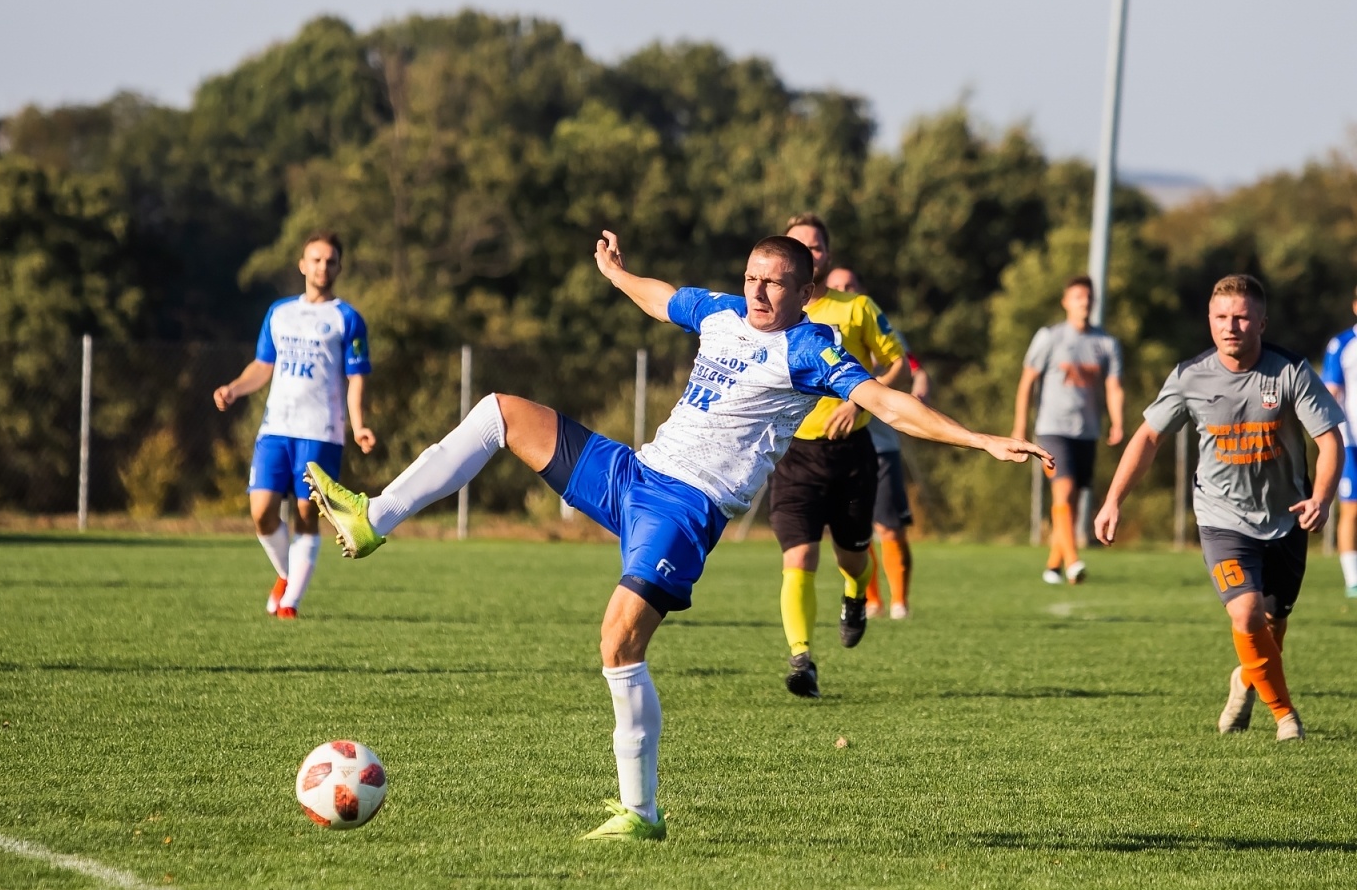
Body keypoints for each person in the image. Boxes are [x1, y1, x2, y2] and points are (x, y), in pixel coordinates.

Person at [303, 231, 1051, 841]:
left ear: (803, 292)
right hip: (633, 473)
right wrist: (616, 273)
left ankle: (641, 812)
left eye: (775, 283)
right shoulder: (721, 311)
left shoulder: (811, 349)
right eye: (752, 277)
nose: (759, 291)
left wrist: (980, 439)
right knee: (500, 410)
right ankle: (374, 518)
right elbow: (662, 299)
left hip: (685, 509)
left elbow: (887, 402)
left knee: (617, 644)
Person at [1095, 274, 1343, 742]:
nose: (1231, 326)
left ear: (1261, 322)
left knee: (1272, 625)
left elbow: (1329, 441)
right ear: (1209, 320)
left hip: (1286, 516)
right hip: (1221, 518)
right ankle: (1286, 717)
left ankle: (1245, 680)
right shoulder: (1190, 376)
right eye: (1221, 317)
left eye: (1242, 317)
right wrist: (1113, 500)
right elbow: (1148, 437)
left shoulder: (1289, 371)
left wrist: (1322, 498)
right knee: (1246, 614)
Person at [769, 215, 907, 700]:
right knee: (799, 557)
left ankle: (856, 593)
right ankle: (801, 659)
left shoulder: (857, 307)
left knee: (852, 558)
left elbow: (898, 363)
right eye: (799, 244)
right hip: (793, 453)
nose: (809, 252)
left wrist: (858, 401)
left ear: (826, 255)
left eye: (816, 246)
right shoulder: (770, 310)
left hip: (851, 456)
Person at [213, 232, 376, 619]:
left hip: (321, 431)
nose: (323, 267)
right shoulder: (279, 312)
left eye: (330, 261)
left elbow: (356, 378)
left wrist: (358, 426)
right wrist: (234, 388)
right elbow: (262, 366)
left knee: (306, 513)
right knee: (261, 512)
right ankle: (287, 575)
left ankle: (290, 603)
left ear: (339, 267)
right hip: (275, 428)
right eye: (316, 260)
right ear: (302, 265)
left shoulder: (347, 318)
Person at [826, 268, 931, 621]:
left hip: (881, 444)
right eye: (837, 286)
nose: (843, 290)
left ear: (861, 289)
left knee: (890, 527)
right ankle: (871, 600)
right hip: (836, 446)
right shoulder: (816, 327)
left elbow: (911, 367)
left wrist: (920, 390)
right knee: (852, 531)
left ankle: (900, 602)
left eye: (850, 285)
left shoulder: (878, 326)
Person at [1012, 276, 1124, 584]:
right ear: (1065, 302)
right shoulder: (1049, 337)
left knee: (1072, 501)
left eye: (1088, 297)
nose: (1083, 302)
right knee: (1064, 489)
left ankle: (1053, 566)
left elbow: (1114, 386)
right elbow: (1027, 382)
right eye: (1077, 297)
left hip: (1086, 432)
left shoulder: (1106, 343)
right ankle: (1073, 561)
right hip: (1052, 429)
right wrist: (1020, 426)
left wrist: (1117, 421)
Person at [1321, 286, 1357, 597]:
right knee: (1352, 510)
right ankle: (1352, 580)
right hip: (1351, 442)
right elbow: (1331, 392)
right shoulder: (1343, 345)